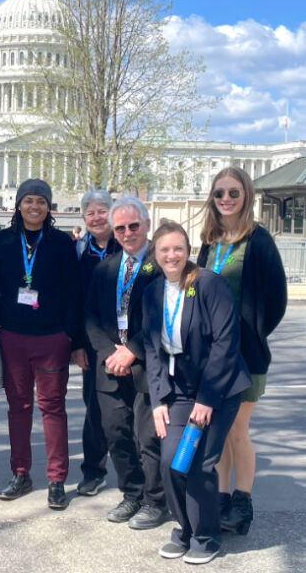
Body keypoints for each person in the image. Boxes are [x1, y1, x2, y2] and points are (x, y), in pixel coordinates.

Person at [143, 221, 252, 564]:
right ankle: (185, 530)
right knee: (171, 463)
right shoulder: (152, 292)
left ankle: (207, 537)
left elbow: (225, 343)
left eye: (178, 248)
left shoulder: (208, 284)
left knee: (199, 463)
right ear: (156, 255)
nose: (171, 255)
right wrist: (159, 398)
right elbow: (151, 349)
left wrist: (207, 398)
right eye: (164, 250)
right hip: (178, 390)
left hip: (217, 388)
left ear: (187, 251)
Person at [196, 166, 286, 534]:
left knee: (236, 429)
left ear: (246, 195)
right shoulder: (210, 241)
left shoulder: (258, 240)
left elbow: (276, 300)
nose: (226, 200)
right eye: (220, 193)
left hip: (246, 356)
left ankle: (242, 503)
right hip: (211, 357)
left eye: (233, 192)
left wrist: (253, 334)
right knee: (219, 429)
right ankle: (220, 499)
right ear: (212, 199)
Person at [0, 179, 79, 510]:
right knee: (19, 408)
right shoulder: (3, 240)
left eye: (41, 201)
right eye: (28, 201)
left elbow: (73, 292)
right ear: (19, 204)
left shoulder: (61, 243)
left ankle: (57, 479)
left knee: (52, 408)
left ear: (49, 206)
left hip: (52, 337)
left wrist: (69, 334)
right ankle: (21, 473)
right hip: (13, 336)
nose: (35, 207)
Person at [85, 196, 168, 529]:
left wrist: (132, 350)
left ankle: (155, 500)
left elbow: (164, 315)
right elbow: (89, 316)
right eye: (120, 227)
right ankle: (131, 494)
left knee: (147, 438)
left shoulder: (161, 261)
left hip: (147, 363)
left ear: (147, 224)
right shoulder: (106, 268)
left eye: (134, 225)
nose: (128, 232)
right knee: (115, 433)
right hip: (110, 365)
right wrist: (109, 353)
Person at [73, 190, 121, 496]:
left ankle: (138, 471)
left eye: (102, 211)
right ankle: (94, 470)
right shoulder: (79, 252)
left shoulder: (128, 243)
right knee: (95, 409)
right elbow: (74, 302)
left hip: (127, 344)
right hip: (91, 344)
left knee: (130, 410)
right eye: (90, 213)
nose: (96, 217)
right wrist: (77, 344)